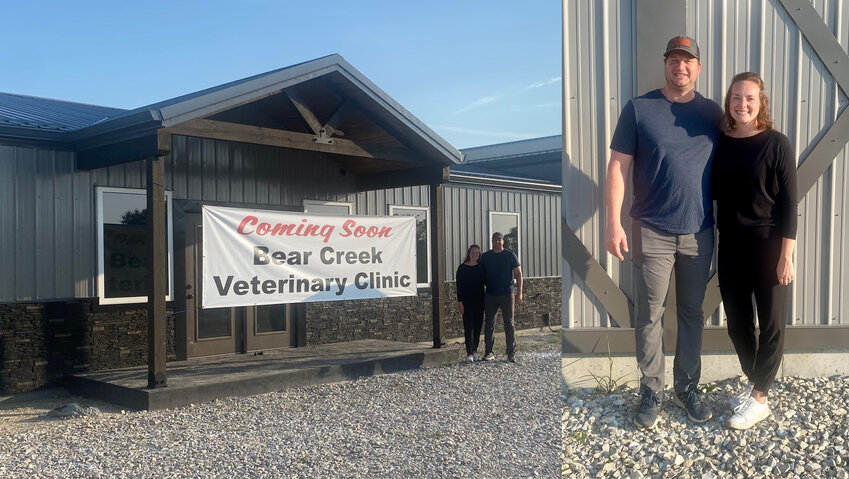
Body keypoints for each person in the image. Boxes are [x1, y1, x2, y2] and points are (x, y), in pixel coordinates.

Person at [605, 35, 723, 428]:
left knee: (692, 313)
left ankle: (687, 388)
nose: (681, 67)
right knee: (649, 314)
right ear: (666, 64)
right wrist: (613, 222)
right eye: (674, 59)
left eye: (688, 61)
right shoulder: (639, 109)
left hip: (699, 231)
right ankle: (652, 389)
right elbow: (618, 167)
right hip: (650, 229)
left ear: (698, 68)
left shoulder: (713, 114)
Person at [712, 72, 797, 430]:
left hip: (769, 244)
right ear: (729, 102)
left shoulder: (777, 143)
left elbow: (790, 205)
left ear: (760, 102)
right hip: (730, 244)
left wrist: (786, 255)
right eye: (735, 98)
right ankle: (755, 382)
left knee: (772, 322)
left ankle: (760, 398)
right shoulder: (722, 142)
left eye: (749, 98)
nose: (741, 104)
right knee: (737, 324)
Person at [479, 232, 522, 363]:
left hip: (507, 294)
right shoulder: (485, 257)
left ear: (503, 241)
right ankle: (489, 352)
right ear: (491, 241)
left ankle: (510, 353)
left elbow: (518, 274)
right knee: (489, 324)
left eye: (499, 240)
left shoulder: (510, 255)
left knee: (509, 323)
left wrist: (519, 292)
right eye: (495, 240)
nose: (497, 242)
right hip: (490, 294)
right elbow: (479, 274)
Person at [456, 244, 486, 362]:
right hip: (466, 302)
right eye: (473, 252)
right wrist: (460, 302)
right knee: (468, 327)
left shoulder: (481, 268)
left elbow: (486, 283)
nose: (475, 255)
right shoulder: (462, 268)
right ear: (469, 253)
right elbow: (459, 287)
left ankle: (475, 351)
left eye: (477, 253)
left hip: (479, 301)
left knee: (478, 327)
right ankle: (468, 353)